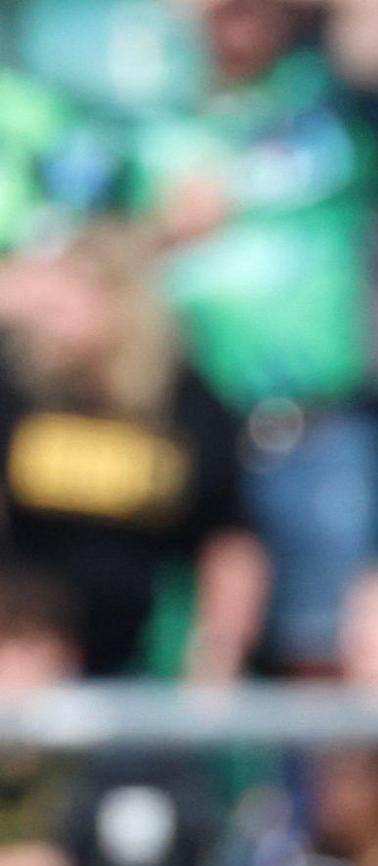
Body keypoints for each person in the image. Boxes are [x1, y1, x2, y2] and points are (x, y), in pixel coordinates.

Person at [0, 226, 268, 681]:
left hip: (142, 654)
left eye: (76, 288)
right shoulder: (17, 386)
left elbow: (229, 542)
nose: (53, 309)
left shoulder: (183, 401)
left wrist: (215, 661)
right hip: (25, 649)